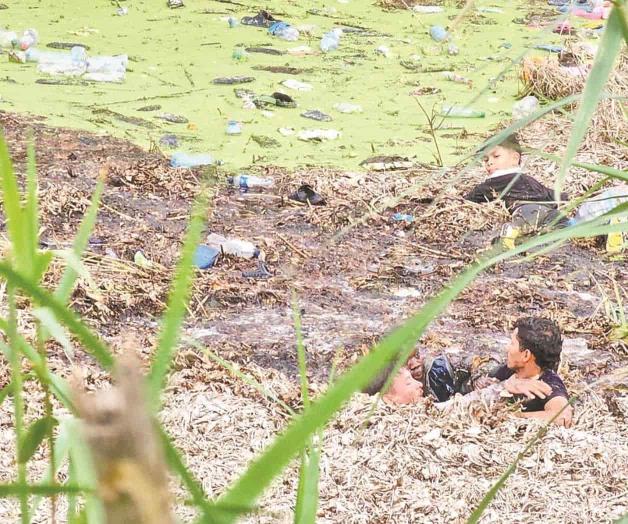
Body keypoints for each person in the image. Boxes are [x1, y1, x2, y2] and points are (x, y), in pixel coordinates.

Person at [408, 317, 572, 427]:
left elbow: (562, 417)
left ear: (526, 355)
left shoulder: (547, 383)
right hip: (458, 398)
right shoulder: (509, 370)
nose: (507, 348)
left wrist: (510, 418)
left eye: (512, 343)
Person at [465, 134, 567, 248]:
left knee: (523, 226)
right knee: (561, 223)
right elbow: (549, 194)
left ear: (514, 158)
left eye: (496, 156)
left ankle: (509, 235)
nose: (489, 162)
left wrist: (465, 198)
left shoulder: (495, 181)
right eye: (486, 159)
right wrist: (566, 198)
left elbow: (473, 196)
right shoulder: (528, 179)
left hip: (524, 210)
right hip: (544, 210)